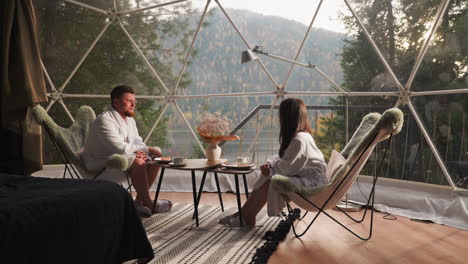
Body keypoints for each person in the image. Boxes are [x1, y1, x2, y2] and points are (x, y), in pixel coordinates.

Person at [220, 98, 328, 227]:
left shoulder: (299, 140)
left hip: (312, 184)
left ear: (287, 117)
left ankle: (247, 216)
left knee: (271, 180)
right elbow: (286, 161)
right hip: (306, 178)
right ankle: (244, 213)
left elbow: (287, 169)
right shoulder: (300, 136)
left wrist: (271, 168)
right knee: (268, 175)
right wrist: (270, 165)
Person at [82, 85, 172, 217]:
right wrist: (145, 150)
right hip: (102, 166)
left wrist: (144, 152)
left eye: (134, 100)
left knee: (154, 158)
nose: (133, 104)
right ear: (116, 102)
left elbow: (137, 142)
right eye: (129, 100)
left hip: (121, 160)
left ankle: (138, 203)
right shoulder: (104, 120)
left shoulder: (130, 120)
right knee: (139, 162)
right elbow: (119, 147)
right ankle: (149, 203)